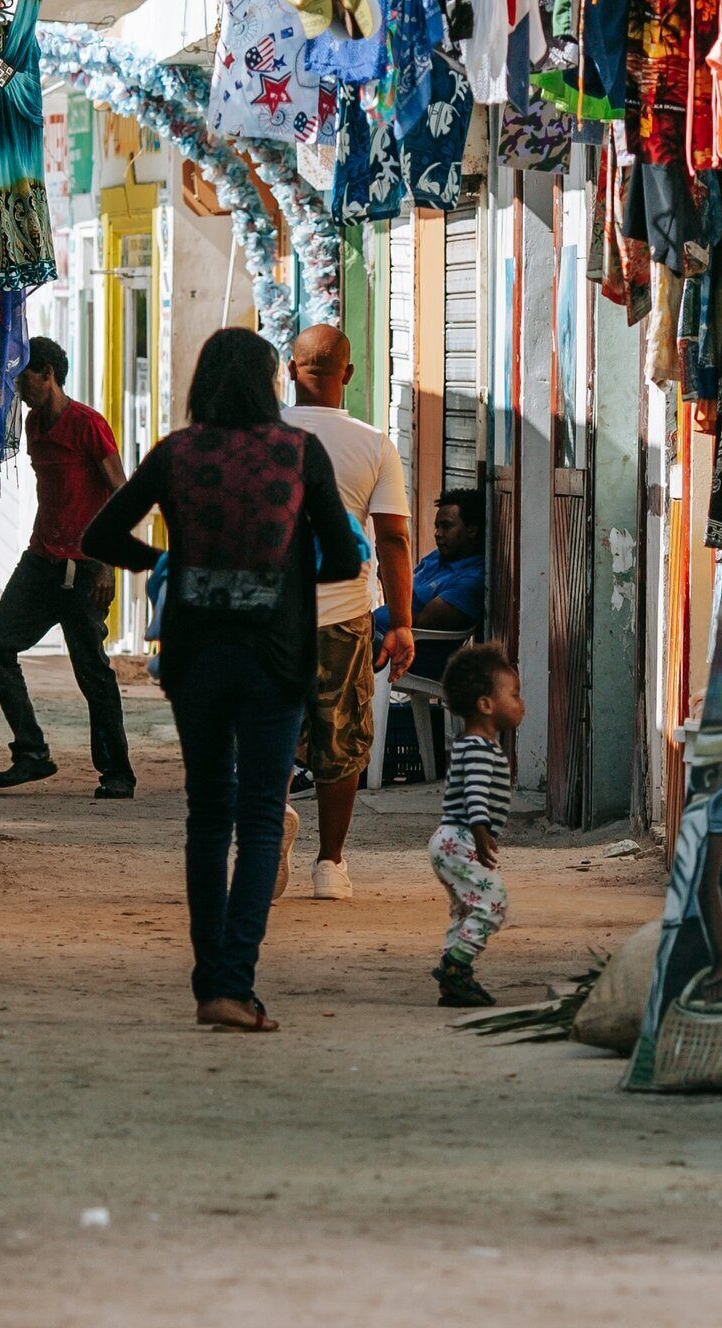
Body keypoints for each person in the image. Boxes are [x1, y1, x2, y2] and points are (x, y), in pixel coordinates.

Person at [80, 326, 365, 1033]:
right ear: (272, 384)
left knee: (206, 815)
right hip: (277, 657)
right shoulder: (300, 453)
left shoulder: (177, 453)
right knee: (260, 813)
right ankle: (235, 982)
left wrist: (162, 567)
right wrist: (290, 577)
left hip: (195, 655)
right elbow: (343, 559)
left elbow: (99, 537)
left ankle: (211, 982)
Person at [281, 324, 410, 898]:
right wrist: (402, 623)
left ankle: (268, 824)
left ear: (289, 370)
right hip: (343, 614)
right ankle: (330, 864)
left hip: (264, 616)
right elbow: (394, 542)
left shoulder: (255, 437)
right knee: (344, 736)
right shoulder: (373, 444)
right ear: (349, 375)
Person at [0, 337, 134, 796]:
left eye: (24, 374)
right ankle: (31, 752)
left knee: (93, 672)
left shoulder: (88, 425)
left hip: (84, 567)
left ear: (47, 372)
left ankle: (118, 773)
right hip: (41, 560)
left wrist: (106, 564)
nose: (18, 384)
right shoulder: (32, 424)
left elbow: (121, 492)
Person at [430, 641, 522, 1009]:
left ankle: (456, 978)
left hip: (453, 839)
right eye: (513, 694)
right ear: (486, 704)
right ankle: (456, 965)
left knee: (467, 908)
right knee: (492, 903)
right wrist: (482, 831)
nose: (520, 703)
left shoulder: (474, 745)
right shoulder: (480, 749)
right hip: (461, 837)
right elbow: (475, 792)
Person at [408, 492, 487, 678]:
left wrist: (389, 578)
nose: (438, 534)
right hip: (384, 636)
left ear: (472, 530)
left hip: (412, 654)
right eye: (437, 526)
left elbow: (419, 622)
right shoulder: (438, 557)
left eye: (446, 526)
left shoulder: (472, 578)